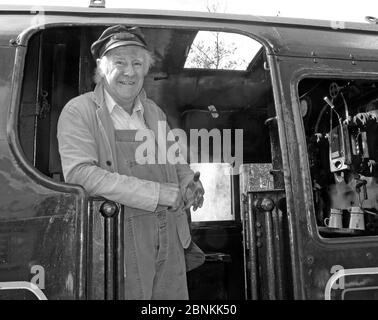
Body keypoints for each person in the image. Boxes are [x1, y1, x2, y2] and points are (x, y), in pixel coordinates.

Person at [57, 25, 205, 300]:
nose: (130, 71)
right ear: (102, 68)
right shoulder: (79, 111)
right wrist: (159, 193)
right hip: (121, 237)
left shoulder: (153, 112)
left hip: (170, 232)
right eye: (120, 62)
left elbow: (176, 160)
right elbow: (80, 174)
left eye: (137, 63)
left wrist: (188, 181)